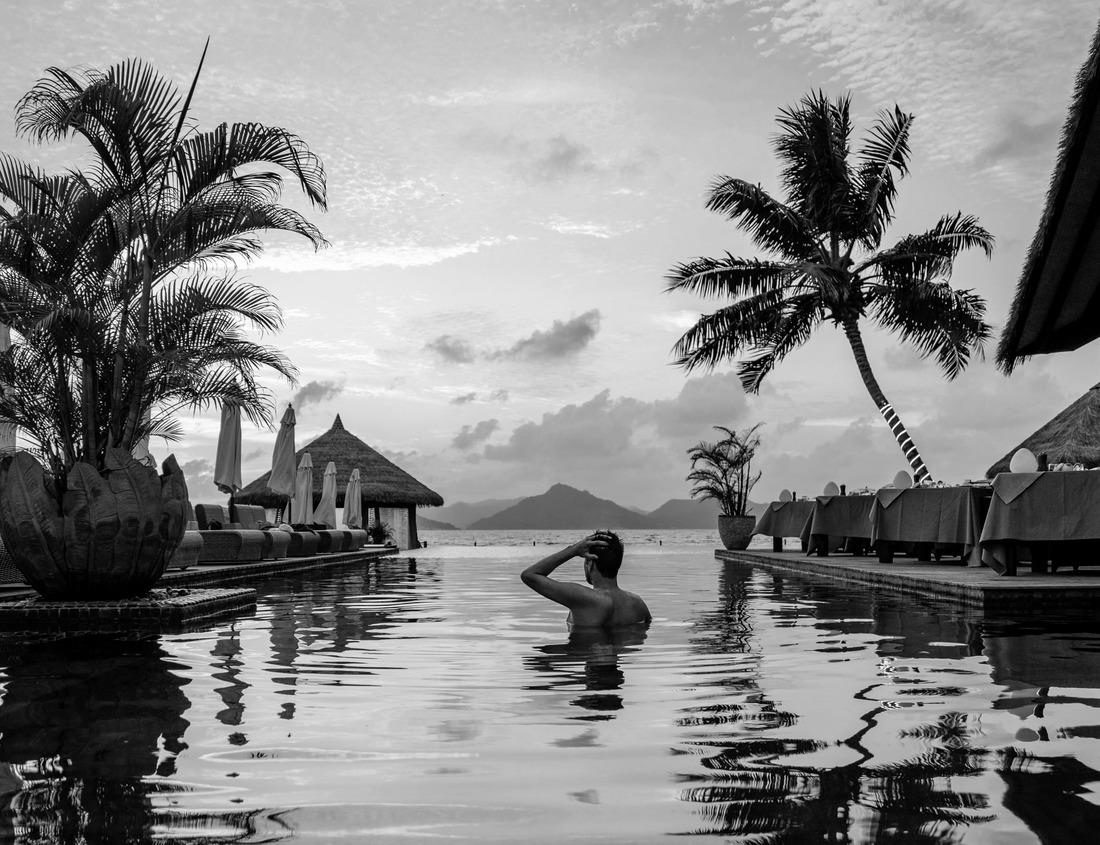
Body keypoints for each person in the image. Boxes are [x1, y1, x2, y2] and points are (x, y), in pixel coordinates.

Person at [520, 531, 651, 629]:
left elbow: (529, 575)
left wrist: (572, 550)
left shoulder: (584, 598)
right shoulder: (638, 604)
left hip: (585, 652)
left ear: (590, 563)